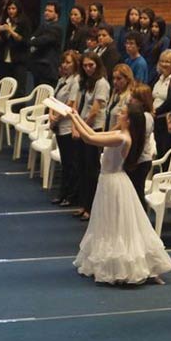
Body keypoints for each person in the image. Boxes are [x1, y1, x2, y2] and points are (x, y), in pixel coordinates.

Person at [69, 103, 171, 285]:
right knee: (110, 223)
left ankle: (131, 266)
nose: (118, 113)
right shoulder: (119, 134)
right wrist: (76, 115)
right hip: (109, 181)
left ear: (129, 120)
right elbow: (93, 133)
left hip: (114, 183)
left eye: (122, 113)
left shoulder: (122, 138)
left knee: (119, 225)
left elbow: (89, 138)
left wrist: (72, 117)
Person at [73, 52, 110, 222]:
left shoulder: (101, 83)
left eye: (91, 65)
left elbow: (94, 111)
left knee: (91, 169)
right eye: (85, 65)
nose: (88, 68)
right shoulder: (86, 82)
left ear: (97, 65)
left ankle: (91, 207)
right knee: (82, 167)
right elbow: (79, 105)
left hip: (94, 129)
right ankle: (83, 203)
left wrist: (81, 127)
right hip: (84, 127)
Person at [49, 50, 81, 207]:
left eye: (68, 62)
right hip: (59, 126)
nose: (65, 65)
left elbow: (70, 104)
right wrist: (51, 115)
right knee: (65, 162)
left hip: (68, 125)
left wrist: (56, 118)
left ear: (75, 64)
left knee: (71, 163)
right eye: (64, 62)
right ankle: (63, 193)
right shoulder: (62, 79)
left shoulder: (76, 81)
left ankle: (71, 195)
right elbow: (54, 99)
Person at [0, 0, 31, 98]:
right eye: (9, 8)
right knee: (5, 88)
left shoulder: (24, 21)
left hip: (19, 60)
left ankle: (18, 107)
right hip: (4, 59)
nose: (11, 11)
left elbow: (24, 40)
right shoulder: (5, 20)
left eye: (13, 8)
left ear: (18, 9)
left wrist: (10, 30)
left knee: (19, 89)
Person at [127, 84, 157, 208]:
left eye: (134, 98)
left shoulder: (146, 117)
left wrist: (133, 161)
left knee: (138, 194)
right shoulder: (140, 115)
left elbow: (138, 140)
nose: (130, 100)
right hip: (138, 159)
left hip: (141, 160)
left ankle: (141, 218)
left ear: (142, 101)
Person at [28, 0, 63, 87]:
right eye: (46, 10)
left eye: (50, 11)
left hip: (48, 69)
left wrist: (32, 41)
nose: (46, 13)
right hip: (38, 68)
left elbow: (41, 41)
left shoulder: (56, 28)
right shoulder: (43, 26)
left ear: (57, 14)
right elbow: (33, 37)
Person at [106, 64, 135, 130]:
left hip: (118, 133)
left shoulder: (129, 97)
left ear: (127, 79)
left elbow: (124, 121)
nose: (115, 82)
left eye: (119, 78)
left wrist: (110, 133)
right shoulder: (115, 94)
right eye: (114, 78)